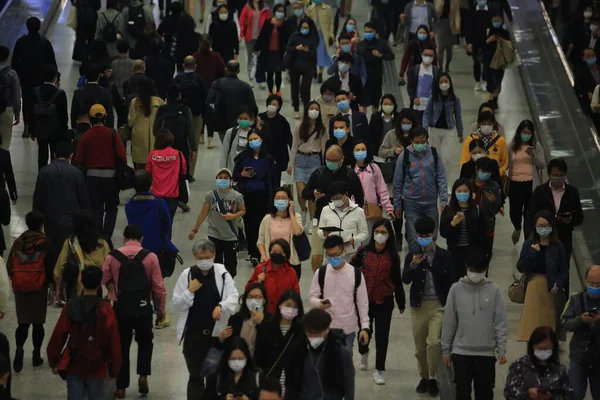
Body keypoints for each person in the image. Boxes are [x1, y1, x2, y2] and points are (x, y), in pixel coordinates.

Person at [102, 224, 166, 398]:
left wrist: (112, 289)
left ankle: (121, 386)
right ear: (141, 239)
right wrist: (161, 310)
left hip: (121, 308)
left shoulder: (112, 257)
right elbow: (158, 287)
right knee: (145, 342)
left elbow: (104, 278)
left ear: (124, 239)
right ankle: (143, 375)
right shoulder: (150, 257)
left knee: (121, 345)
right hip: (144, 307)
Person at [172, 239, 239, 398]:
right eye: (201, 258)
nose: (204, 261)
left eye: (208, 257)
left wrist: (221, 306)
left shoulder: (223, 275)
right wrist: (189, 291)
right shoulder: (187, 275)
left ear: (214, 255)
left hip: (216, 337)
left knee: (214, 377)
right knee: (195, 377)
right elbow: (176, 305)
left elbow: (234, 297)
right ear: (195, 257)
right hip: (193, 337)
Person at [441, 249, 508, 399]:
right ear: (466, 268)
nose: (476, 273)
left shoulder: (494, 291)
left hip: (486, 354)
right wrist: (446, 350)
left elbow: (500, 322)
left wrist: (501, 349)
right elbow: (449, 321)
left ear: (485, 270)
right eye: (472, 270)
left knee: (485, 394)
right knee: (462, 393)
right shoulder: (456, 289)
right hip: (461, 353)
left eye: (479, 270)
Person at [47, 266, 121, 400]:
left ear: (81, 281)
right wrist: (114, 369)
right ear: (100, 283)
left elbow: (59, 335)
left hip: (75, 362)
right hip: (98, 364)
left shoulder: (70, 306)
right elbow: (113, 340)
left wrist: (54, 360)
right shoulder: (105, 309)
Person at [402, 215, 454, 396]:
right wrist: (413, 266)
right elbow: (405, 280)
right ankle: (423, 377)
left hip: (438, 305)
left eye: (427, 234)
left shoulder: (444, 255)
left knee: (433, 342)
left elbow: (451, 281)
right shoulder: (412, 255)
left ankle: (433, 377)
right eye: (420, 235)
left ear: (433, 234)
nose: (423, 237)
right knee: (419, 347)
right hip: (419, 305)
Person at [349, 219, 405, 384]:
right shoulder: (364, 251)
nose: (380, 235)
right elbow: (351, 269)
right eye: (377, 231)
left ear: (389, 235)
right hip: (364, 300)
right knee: (365, 330)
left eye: (384, 232)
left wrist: (401, 302)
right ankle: (363, 352)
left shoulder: (392, 255)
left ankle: (379, 368)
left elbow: (396, 279)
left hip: (385, 300)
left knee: (382, 335)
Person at [303, 144, 364, 271]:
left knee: (341, 256)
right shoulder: (318, 173)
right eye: (328, 159)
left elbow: (359, 198)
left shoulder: (350, 175)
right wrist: (313, 194)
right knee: (316, 255)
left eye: (334, 160)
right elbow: (305, 193)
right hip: (321, 219)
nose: (330, 162)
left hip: (345, 220)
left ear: (342, 159)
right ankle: (318, 281)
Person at [7, 211, 54, 373]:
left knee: (23, 322)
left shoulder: (19, 242)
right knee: (38, 322)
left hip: (21, 286)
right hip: (38, 286)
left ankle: (19, 348)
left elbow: (9, 265)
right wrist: (52, 285)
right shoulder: (44, 242)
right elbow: (50, 266)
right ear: (42, 224)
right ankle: (36, 355)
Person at [76, 104, 127, 248]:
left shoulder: (85, 136)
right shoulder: (112, 133)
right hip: (111, 178)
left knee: (96, 208)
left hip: (92, 178)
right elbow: (122, 155)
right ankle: (107, 235)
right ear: (105, 117)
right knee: (111, 207)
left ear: (90, 119)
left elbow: (79, 159)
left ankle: (98, 235)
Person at [308, 235, 369, 352]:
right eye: (329, 256)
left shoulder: (355, 274)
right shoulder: (321, 273)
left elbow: (363, 304)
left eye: (336, 255)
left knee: (345, 365)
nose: (332, 258)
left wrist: (365, 327)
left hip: (347, 329)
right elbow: (312, 297)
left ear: (344, 252)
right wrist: (319, 303)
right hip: (325, 328)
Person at [516, 210, 569, 342]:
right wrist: (532, 253)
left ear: (551, 226)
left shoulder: (558, 246)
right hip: (534, 285)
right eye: (540, 226)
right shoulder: (529, 244)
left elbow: (564, 269)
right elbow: (520, 266)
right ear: (535, 226)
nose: (543, 229)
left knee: (549, 322)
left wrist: (559, 284)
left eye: (546, 225)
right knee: (532, 322)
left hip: (551, 288)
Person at [393, 127, 447, 252]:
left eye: (423, 141)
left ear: (427, 140)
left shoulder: (434, 154)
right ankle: (415, 263)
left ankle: (430, 262)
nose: (420, 145)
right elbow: (398, 182)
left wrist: (443, 200)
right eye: (416, 142)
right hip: (411, 203)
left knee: (432, 235)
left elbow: (441, 177)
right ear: (411, 141)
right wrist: (397, 205)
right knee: (413, 237)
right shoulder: (404, 156)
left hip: (431, 202)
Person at [32, 142, 89, 258]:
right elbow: (83, 199)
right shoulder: (77, 173)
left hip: (50, 218)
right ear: (71, 155)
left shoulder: (44, 171)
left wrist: (37, 221)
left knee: (53, 252)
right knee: (70, 253)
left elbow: (38, 197)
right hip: (72, 219)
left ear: (54, 154)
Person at [285, 307, 355, 399]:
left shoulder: (340, 352)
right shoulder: (298, 349)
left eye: (317, 333)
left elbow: (349, 385)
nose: (313, 336)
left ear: (327, 329)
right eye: (310, 333)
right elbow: (290, 384)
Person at [189, 168, 246, 278]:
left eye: (226, 178)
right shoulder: (211, 196)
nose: (223, 180)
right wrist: (194, 229)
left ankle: (228, 283)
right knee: (216, 263)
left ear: (230, 180)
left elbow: (243, 210)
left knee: (231, 265)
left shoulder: (237, 196)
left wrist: (232, 216)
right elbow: (203, 213)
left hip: (231, 236)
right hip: (214, 234)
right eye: (220, 178)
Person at [526, 158, 583, 264]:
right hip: (543, 237)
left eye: (561, 175)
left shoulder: (572, 192)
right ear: (549, 174)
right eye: (555, 175)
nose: (558, 178)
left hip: (564, 237)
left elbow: (579, 217)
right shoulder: (540, 192)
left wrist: (570, 220)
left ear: (565, 174)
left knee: (563, 267)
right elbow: (530, 214)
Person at [233, 131, 278, 265]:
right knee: (249, 225)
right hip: (247, 196)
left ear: (261, 139)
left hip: (264, 196)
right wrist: (242, 174)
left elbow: (273, 179)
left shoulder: (268, 159)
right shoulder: (243, 158)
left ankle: (262, 253)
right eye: (251, 139)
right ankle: (253, 253)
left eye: (256, 138)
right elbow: (235, 175)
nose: (253, 141)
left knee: (262, 225)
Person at [125, 170, 177, 280]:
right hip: (157, 250)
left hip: (136, 251)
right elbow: (167, 224)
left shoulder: (129, 205)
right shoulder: (159, 204)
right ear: (151, 183)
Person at [11, 17, 57, 138]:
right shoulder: (45, 42)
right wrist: (56, 77)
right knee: (41, 101)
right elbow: (51, 61)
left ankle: (27, 127)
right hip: (41, 78)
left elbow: (14, 62)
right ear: (39, 27)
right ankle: (38, 126)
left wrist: (17, 77)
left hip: (26, 78)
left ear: (27, 27)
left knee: (27, 102)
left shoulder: (21, 42)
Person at [54, 211, 111, 303]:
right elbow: (108, 267)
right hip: (95, 286)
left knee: (74, 313)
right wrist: (110, 288)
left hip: (74, 287)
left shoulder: (70, 243)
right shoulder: (102, 243)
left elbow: (60, 266)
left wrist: (58, 287)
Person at [254, 290, 305, 394]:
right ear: (280, 305)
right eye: (288, 305)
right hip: (269, 384)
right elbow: (258, 358)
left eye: (295, 307)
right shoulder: (266, 328)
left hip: (292, 387)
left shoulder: (302, 332)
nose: (291, 309)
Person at [561, 264, 600, 400]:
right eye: (591, 283)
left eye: (598, 284)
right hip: (579, 355)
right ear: (585, 280)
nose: (594, 286)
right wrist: (580, 320)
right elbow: (564, 322)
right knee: (574, 393)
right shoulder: (575, 299)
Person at [504, 326, 573, 399]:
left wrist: (550, 397)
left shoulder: (560, 370)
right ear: (532, 347)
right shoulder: (519, 366)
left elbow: (569, 395)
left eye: (546, 349)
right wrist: (527, 394)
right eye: (539, 348)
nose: (543, 351)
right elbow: (508, 392)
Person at [507, 120, 546, 245]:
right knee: (514, 211)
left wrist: (533, 156)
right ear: (519, 132)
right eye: (524, 132)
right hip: (515, 184)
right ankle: (517, 227)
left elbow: (542, 165)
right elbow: (506, 163)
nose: (526, 135)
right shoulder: (512, 146)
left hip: (531, 184)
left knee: (530, 214)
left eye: (529, 133)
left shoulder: (536, 146)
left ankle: (528, 240)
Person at [152, 85, 196, 185]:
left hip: (164, 145)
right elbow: (190, 130)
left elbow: (155, 129)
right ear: (179, 96)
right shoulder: (185, 109)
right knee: (182, 172)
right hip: (182, 146)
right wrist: (193, 148)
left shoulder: (162, 109)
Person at [256, 186, 304, 277]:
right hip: (271, 261)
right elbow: (260, 241)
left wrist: (291, 213)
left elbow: (298, 232)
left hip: (291, 262)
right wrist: (264, 256)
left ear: (289, 200)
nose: (280, 200)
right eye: (277, 198)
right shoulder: (267, 219)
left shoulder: (296, 217)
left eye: (283, 198)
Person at [439, 179, 482, 279]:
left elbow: (482, 233)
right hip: (454, 253)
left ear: (470, 192)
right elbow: (443, 233)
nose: (462, 193)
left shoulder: (477, 210)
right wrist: (452, 224)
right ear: (454, 193)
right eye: (459, 191)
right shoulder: (448, 210)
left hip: (471, 252)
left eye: (465, 191)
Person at [422, 72, 464, 170]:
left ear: (450, 83)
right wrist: (425, 128)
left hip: (448, 131)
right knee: (432, 157)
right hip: (434, 130)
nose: (444, 84)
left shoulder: (455, 99)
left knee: (447, 158)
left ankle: (444, 182)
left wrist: (460, 133)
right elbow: (427, 113)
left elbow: (458, 116)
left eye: (446, 81)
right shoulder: (433, 97)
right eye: (441, 82)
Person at [31, 65, 68, 171]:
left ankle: (42, 175)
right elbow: (63, 115)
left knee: (42, 154)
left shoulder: (36, 91)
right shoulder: (60, 94)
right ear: (55, 78)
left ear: (43, 77)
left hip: (40, 129)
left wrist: (32, 130)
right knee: (54, 154)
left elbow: (31, 112)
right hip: (55, 130)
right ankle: (53, 175)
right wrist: (64, 131)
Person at [317, 180, 368, 256]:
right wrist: (324, 234)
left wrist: (355, 239)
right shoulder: (326, 209)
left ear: (346, 194)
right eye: (333, 199)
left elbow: (364, 233)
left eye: (338, 198)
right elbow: (319, 231)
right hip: (331, 254)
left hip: (351, 254)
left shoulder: (358, 211)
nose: (336, 200)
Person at [207, 60, 257, 137]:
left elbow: (209, 103)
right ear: (239, 71)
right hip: (241, 122)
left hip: (222, 123)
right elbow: (253, 106)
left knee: (226, 145)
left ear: (226, 69)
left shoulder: (217, 84)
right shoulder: (245, 86)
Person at [218, 283, 269, 355]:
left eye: (257, 297)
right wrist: (221, 339)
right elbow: (228, 345)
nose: (253, 301)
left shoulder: (270, 321)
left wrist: (260, 324)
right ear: (245, 299)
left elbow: (268, 347)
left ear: (263, 300)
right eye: (250, 297)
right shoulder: (236, 318)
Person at [352, 142, 394, 230]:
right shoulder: (350, 170)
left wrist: (388, 207)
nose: (360, 152)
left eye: (363, 149)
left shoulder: (374, 168)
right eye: (358, 150)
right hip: (354, 210)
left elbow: (382, 189)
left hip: (372, 210)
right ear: (353, 152)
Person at [173, 56, 209, 156]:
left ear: (183, 65)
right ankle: (191, 170)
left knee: (180, 143)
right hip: (196, 115)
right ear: (195, 66)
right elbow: (206, 98)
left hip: (179, 116)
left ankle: (182, 168)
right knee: (194, 145)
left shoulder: (177, 79)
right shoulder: (200, 79)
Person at [356, 21, 395, 112]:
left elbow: (391, 56)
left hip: (376, 76)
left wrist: (380, 55)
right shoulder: (361, 44)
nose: (368, 34)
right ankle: (363, 123)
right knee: (362, 102)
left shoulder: (381, 43)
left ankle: (374, 121)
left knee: (375, 102)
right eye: (366, 32)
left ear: (375, 32)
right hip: (363, 77)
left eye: (370, 32)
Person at [470, 157, 503, 264]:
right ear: (477, 169)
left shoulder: (494, 187)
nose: (486, 174)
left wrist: (493, 201)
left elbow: (495, 211)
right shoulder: (467, 185)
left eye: (488, 172)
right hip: (470, 226)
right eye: (483, 171)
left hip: (487, 227)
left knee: (485, 258)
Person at [459, 111, 508, 178]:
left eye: (489, 124)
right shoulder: (470, 139)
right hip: (474, 178)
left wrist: (496, 173)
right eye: (483, 124)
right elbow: (464, 161)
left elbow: (505, 162)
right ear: (479, 124)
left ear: (493, 123)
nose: (486, 126)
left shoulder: (500, 140)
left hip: (494, 177)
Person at [128, 79, 164, 169]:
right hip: (155, 135)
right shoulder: (159, 102)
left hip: (138, 135)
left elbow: (130, 121)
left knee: (140, 164)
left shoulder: (135, 102)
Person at [286, 19, 318, 119]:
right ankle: (296, 109)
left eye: (307, 28)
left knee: (306, 89)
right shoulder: (294, 36)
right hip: (294, 66)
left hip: (308, 67)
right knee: (294, 88)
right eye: (303, 28)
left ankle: (306, 109)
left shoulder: (312, 39)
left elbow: (314, 54)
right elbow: (288, 48)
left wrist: (307, 50)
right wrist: (296, 48)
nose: (305, 29)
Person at [258, 94, 293, 182]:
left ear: (279, 106)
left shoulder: (282, 121)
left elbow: (289, 139)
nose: (272, 106)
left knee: (275, 179)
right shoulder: (260, 118)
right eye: (270, 104)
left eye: (274, 104)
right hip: (262, 154)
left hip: (277, 157)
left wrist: (292, 159)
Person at [71, 65, 114, 131]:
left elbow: (74, 114)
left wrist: (75, 129)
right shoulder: (105, 92)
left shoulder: (78, 93)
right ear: (99, 76)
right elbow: (110, 115)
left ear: (86, 77)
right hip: (101, 129)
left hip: (83, 129)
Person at [256, 5, 286, 95]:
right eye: (278, 11)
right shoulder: (268, 23)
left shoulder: (285, 24)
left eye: (282, 11)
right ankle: (270, 91)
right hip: (268, 52)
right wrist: (257, 48)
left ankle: (278, 90)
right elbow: (262, 36)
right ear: (275, 11)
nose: (280, 13)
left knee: (278, 73)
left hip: (279, 53)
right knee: (269, 73)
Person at [239, 0, 271, 87]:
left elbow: (269, 21)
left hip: (261, 38)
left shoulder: (265, 7)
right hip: (250, 37)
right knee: (251, 58)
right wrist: (241, 34)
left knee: (260, 59)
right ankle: (251, 78)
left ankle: (260, 80)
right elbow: (241, 20)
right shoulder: (247, 7)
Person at [406, 42, 440, 123]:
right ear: (421, 55)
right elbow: (410, 87)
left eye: (430, 55)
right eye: (426, 54)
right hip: (417, 106)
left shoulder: (437, 72)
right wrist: (414, 98)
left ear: (434, 57)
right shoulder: (414, 70)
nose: (428, 57)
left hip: (431, 107)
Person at [306, 0, 334, 83]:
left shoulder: (328, 8)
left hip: (323, 35)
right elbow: (306, 21)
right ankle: (314, 69)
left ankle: (320, 73)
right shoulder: (310, 8)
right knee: (313, 54)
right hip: (312, 35)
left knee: (321, 54)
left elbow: (330, 22)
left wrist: (331, 34)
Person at [0, 46, 21, 150]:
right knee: (5, 142)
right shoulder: (11, 73)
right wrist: (17, 114)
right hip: (6, 109)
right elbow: (16, 96)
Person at [110, 42, 134, 127]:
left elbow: (112, 77)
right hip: (129, 92)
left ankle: (120, 134)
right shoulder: (132, 63)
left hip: (116, 91)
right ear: (128, 50)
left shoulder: (113, 63)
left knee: (119, 115)